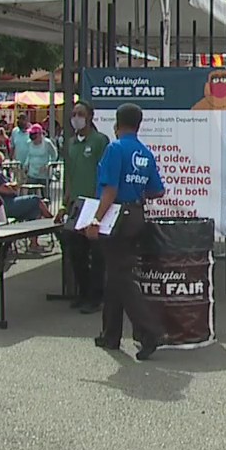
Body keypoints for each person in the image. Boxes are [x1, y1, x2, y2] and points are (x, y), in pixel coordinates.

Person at [81, 103, 168, 361]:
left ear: (117, 124)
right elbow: (158, 190)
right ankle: (110, 334)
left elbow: (110, 190)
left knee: (121, 276)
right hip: (137, 215)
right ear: (139, 125)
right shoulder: (144, 153)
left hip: (115, 215)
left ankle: (150, 331)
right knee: (116, 274)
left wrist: (95, 220)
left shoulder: (115, 149)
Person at [57, 103, 111, 313]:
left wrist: (101, 206)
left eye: (80, 114)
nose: (76, 118)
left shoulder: (99, 141)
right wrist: (64, 204)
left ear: (90, 117)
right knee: (75, 253)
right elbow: (68, 176)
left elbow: (104, 174)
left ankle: (96, 298)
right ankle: (83, 293)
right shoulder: (71, 143)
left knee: (96, 255)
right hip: (75, 206)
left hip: (94, 205)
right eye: (74, 114)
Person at [0, 149, 51, 226]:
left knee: (35, 210)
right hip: (4, 205)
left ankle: (33, 236)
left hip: (10, 202)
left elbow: (10, 187)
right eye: (0, 164)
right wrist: (12, 187)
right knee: (36, 200)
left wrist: (12, 186)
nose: (1, 166)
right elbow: (7, 190)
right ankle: (52, 221)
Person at [21, 123, 59, 190]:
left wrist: (48, 165)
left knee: (44, 193)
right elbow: (29, 155)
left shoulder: (47, 143)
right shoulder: (29, 143)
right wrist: (26, 165)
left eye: (34, 134)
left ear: (39, 134)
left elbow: (54, 155)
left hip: (44, 174)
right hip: (32, 173)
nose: (32, 136)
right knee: (31, 193)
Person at [9, 114, 31, 184]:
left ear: (26, 120)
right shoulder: (15, 131)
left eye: (22, 119)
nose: (19, 121)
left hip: (30, 164)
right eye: (18, 119)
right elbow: (12, 146)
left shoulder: (32, 132)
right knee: (19, 183)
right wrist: (10, 160)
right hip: (18, 164)